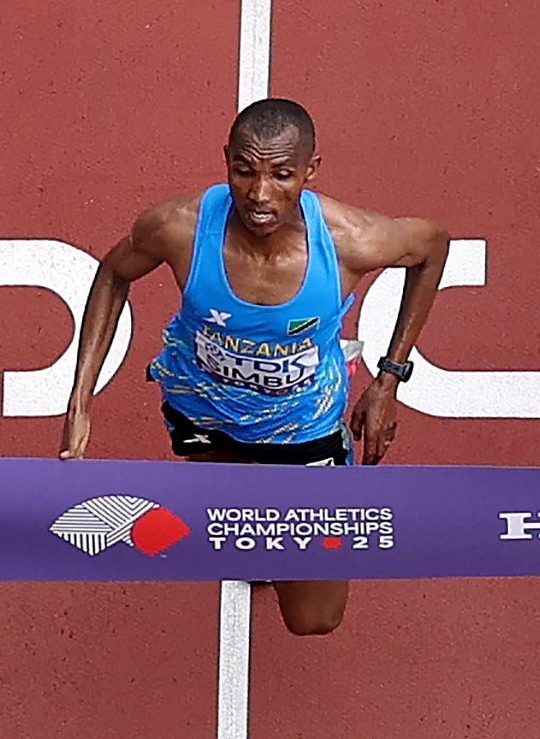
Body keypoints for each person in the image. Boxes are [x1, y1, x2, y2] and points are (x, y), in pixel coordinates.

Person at [59, 97, 449, 636]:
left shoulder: (351, 240)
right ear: (226, 161)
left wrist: (390, 379)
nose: (260, 195)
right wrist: (81, 401)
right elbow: (112, 275)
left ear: (311, 171)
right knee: (237, 534)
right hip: (204, 413)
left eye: (282, 175)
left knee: (314, 620)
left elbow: (433, 249)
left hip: (304, 426)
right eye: (244, 171)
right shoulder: (179, 227)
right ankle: (260, 546)